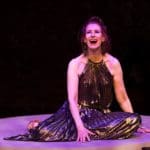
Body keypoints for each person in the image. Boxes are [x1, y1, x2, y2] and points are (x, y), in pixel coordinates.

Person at [4, 16, 150, 142]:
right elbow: (72, 99)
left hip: (101, 116)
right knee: (43, 133)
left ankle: (80, 132)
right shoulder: (75, 64)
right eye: (89, 32)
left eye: (97, 32)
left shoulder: (113, 63)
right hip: (78, 115)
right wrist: (80, 127)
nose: (93, 35)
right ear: (84, 39)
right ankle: (56, 128)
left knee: (133, 120)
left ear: (103, 37)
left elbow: (123, 98)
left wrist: (135, 123)